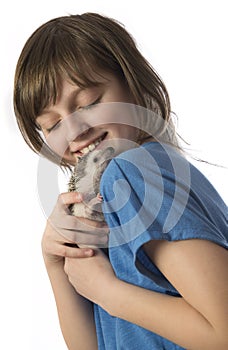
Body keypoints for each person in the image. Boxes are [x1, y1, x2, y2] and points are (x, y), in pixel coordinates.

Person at [14, 13, 228, 350]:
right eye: (52, 125)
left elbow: (224, 331)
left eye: (90, 103)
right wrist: (55, 264)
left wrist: (107, 292)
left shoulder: (132, 170)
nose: (74, 133)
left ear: (134, 84)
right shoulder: (113, 196)